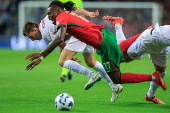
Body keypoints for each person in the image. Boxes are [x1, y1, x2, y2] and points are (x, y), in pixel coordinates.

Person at [24, 1, 166, 102]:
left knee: (117, 76)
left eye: (50, 13)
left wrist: (42, 55)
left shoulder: (57, 20)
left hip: (99, 41)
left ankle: (152, 77)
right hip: (98, 35)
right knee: (114, 58)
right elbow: (65, 28)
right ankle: (137, 33)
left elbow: (59, 38)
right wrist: (69, 53)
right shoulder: (60, 16)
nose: (48, 16)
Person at [23, 3, 124, 102]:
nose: (32, 40)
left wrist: (41, 56)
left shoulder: (45, 32)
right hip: (85, 29)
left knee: (62, 62)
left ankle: (92, 75)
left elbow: (59, 40)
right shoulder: (50, 16)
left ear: (35, 29)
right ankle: (115, 85)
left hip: (80, 33)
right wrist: (88, 13)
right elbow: (69, 10)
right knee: (91, 62)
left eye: (31, 36)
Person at [103, 16, 169, 104]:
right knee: (124, 58)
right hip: (148, 41)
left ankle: (150, 95)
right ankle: (118, 26)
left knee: (161, 71)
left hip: (161, 46)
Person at [56, 0, 98, 82]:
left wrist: (84, 26)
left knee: (66, 48)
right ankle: (67, 69)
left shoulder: (78, 1)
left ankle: (64, 72)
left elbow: (80, 14)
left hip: (74, 27)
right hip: (64, 26)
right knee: (62, 48)